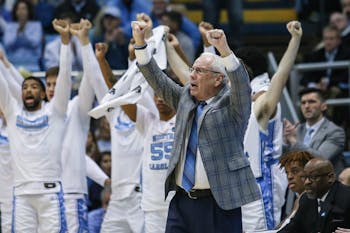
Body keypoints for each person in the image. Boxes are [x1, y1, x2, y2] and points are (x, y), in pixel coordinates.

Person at [132, 20, 260, 233]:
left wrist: (224, 50)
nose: (191, 75)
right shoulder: (184, 99)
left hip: (218, 202)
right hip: (182, 200)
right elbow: (156, 79)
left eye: (199, 71)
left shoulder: (233, 106)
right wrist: (140, 43)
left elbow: (241, 85)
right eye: (193, 69)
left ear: (218, 79)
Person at [0, 18, 71, 232]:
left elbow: (65, 79)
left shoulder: (55, 111)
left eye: (33, 87)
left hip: (50, 193)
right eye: (25, 87)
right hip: (21, 195)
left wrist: (65, 42)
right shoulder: (13, 113)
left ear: (43, 93)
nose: (28, 90)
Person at [235, 21, 302, 231]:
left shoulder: (264, 97)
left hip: (262, 182)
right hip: (242, 181)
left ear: (245, 69)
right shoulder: (244, 96)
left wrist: (295, 40)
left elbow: (280, 77)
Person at [278, 158, 350, 233]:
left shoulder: (347, 197)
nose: (307, 182)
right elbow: (292, 228)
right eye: (305, 177)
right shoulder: (306, 199)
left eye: (313, 177)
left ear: (330, 177)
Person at [283, 88, 346, 174]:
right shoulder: (297, 130)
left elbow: (320, 159)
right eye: (303, 103)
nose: (306, 106)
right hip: (300, 184)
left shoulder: (335, 131)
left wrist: (294, 142)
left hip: (325, 185)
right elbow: (283, 161)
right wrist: (285, 142)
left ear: (323, 106)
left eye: (312, 102)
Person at [3, 0, 43, 71]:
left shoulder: (36, 25)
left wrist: (23, 32)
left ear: (28, 11)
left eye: (23, 8)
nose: (21, 11)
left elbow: (35, 43)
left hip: (32, 63)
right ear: (15, 11)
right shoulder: (9, 26)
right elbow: (7, 44)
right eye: (18, 9)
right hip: (13, 63)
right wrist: (17, 33)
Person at [279, 151, 314, 220]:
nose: (289, 177)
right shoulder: (297, 199)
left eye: (295, 171)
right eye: (287, 172)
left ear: (308, 172)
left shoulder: (316, 202)